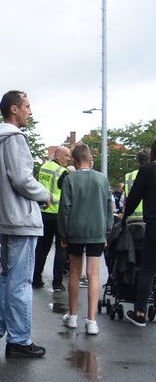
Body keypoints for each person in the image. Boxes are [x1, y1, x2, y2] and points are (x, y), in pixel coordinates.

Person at [0, 91, 50, 358]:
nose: (31, 112)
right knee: (20, 281)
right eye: (27, 107)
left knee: (9, 277)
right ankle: (20, 340)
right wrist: (45, 194)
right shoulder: (16, 139)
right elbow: (22, 178)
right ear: (14, 109)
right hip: (21, 218)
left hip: (3, 217)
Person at [57, 143, 114, 335]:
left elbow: (64, 209)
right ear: (90, 159)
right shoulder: (102, 179)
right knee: (94, 274)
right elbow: (109, 207)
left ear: (74, 160)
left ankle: (72, 316)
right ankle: (91, 321)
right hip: (97, 231)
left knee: (74, 272)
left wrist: (63, 233)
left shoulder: (70, 180)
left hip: (75, 231)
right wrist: (106, 231)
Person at [122, 140, 156, 326]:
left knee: (148, 270)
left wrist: (124, 218)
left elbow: (134, 198)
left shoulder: (148, 171)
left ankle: (140, 312)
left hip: (152, 225)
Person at [32, 146, 70, 291]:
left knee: (42, 247)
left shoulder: (44, 167)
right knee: (61, 249)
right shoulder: (63, 172)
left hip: (44, 211)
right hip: (59, 214)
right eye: (66, 156)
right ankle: (57, 283)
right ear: (58, 156)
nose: (68, 159)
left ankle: (36, 278)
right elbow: (67, 194)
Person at [122, 149, 151, 223]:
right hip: (149, 218)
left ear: (138, 160)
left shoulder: (129, 176)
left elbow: (125, 199)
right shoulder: (152, 174)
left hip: (131, 218)